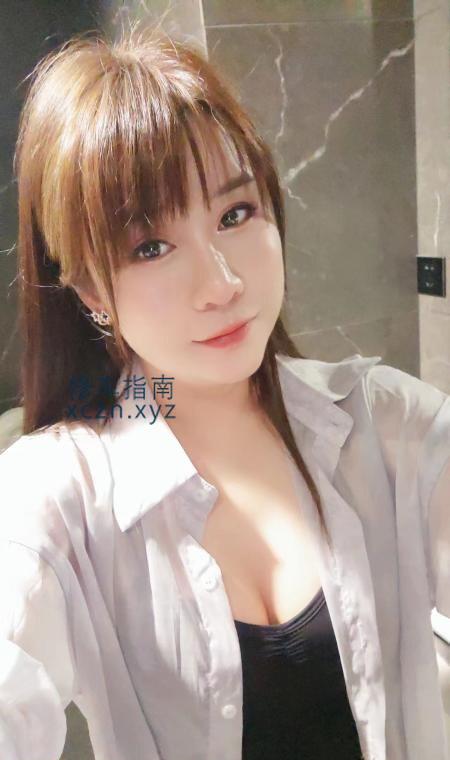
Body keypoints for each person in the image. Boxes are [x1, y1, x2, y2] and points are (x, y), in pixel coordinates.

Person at [0, 20, 449, 760]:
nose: (222, 283)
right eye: (150, 246)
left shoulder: (387, 423)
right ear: (89, 290)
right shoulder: (58, 493)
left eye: (235, 214)